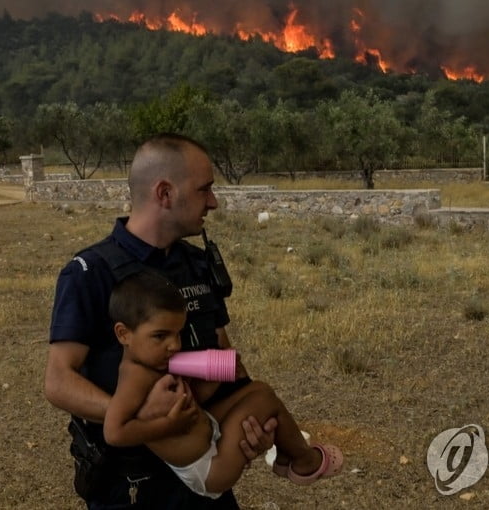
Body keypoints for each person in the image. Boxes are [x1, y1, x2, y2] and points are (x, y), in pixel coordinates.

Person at [45, 133, 277, 509]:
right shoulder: (91, 273)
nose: (214, 202)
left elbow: (225, 358)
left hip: (203, 476)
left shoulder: (197, 264)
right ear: (165, 193)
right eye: (205, 190)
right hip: (134, 488)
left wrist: (250, 426)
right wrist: (136, 412)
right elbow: (58, 381)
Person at [103, 271, 343, 499]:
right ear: (123, 334)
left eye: (178, 334)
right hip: (210, 468)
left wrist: (220, 375)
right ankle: (304, 461)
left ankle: (285, 456)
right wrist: (168, 424)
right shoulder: (134, 377)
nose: (174, 345)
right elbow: (114, 433)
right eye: (160, 335)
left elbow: (195, 398)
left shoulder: (154, 362)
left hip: (210, 432)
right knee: (264, 400)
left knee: (259, 390)